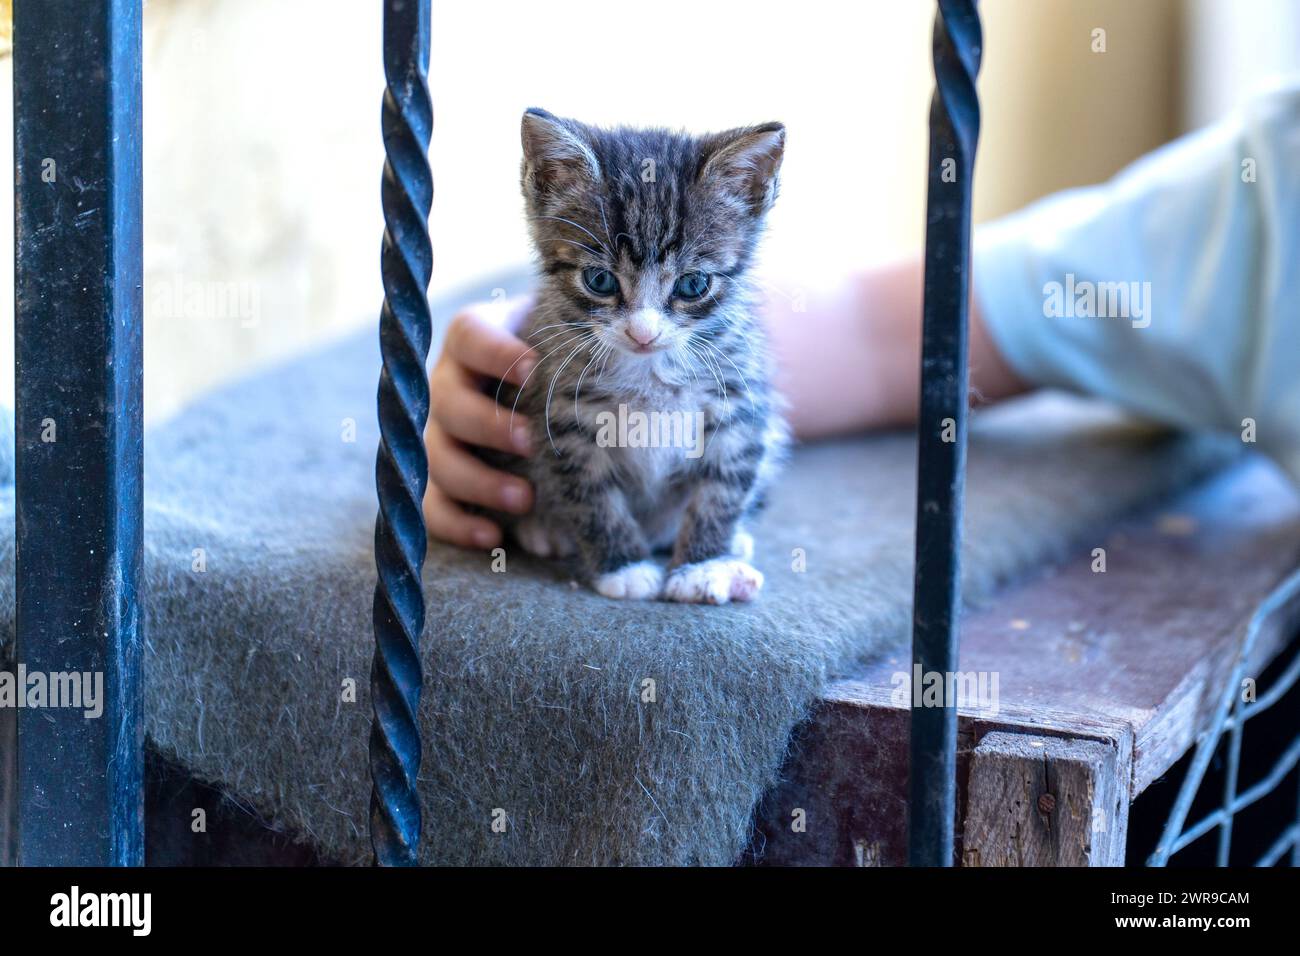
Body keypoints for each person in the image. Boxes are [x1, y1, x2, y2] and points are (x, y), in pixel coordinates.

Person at [423, 85, 1300, 550]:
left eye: (686, 289)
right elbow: (881, 335)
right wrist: (516, 344)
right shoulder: (1263, 195)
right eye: (611, 286)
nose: (646, 322)